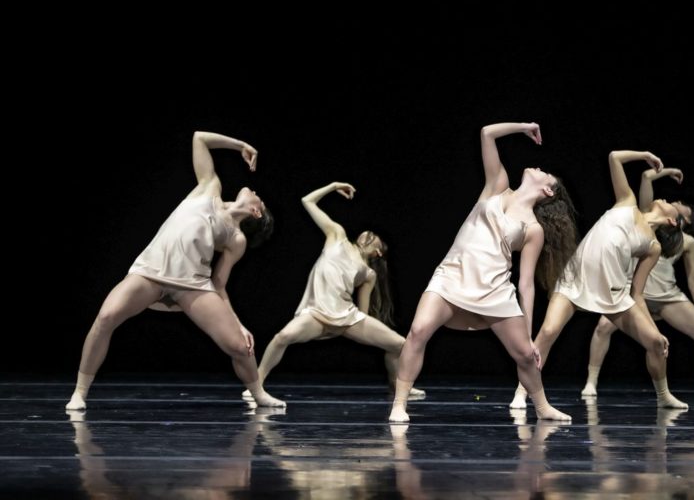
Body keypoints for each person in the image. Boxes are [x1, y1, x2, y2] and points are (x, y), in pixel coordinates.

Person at [65, 131, 285, 410]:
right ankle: (79, 393)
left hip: (193, 286)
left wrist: (238, 324)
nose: (254, 192)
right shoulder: (210, 187)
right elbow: (199, 139)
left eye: (259, 199)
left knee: (240, 346)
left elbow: (219, 283)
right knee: (107, 316)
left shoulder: (236, 240)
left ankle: (258, 393)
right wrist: (240, 144)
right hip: (151, 272)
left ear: (256, 213)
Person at [388, 123, 579, 423]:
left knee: (526, 356)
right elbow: (487, 132)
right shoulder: (497, 185)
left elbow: (526, 284)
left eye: (544, 173)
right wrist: (524, 127)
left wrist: (529, 335)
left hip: (494, 290)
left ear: (547, 190)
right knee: (417, 332)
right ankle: (399, 404)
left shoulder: (533, 229)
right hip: (451, 276)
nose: (538, 167)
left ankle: (542, 408)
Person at [510, 151, 689, 411]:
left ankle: (663, 394)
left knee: (656, 344)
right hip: (574, 282)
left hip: (613, 296)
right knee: (547, 332)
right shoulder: (627, 201)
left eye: (672, 204)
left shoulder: (652, 247)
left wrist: (654, 329)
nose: (666, 198)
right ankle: (521, 391)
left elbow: (637, 293)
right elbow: (614, 157)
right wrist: (644, 156)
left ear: (672, 221)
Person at [243, 181, 424, 400]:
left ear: (377, 252)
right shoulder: (336, 235)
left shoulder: (368, 273)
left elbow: (363, 313)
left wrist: (360, 329)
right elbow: (307, 201)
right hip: (316, 313)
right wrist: (333, 186)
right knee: (283, 336)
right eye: (368, 232)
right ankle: (257, 385)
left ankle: (399, 385)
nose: (368, 234)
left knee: (400, 345)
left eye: (374, 237)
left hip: (347, 317)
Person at [580, 167, 694, 397]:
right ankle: (591, 382)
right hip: (633, 293)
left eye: (683, 204)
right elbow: (645, 177)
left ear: (687, 218)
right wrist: (667, 170)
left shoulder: (688, 242)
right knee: (603, 327)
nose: (677, 200)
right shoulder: (649, 219)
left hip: (666, 296)